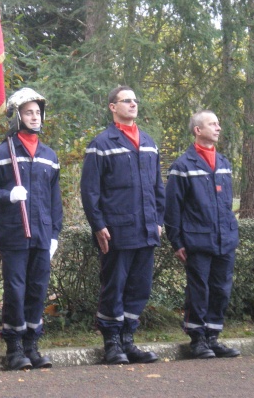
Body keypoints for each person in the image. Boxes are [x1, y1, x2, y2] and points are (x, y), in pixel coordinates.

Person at [80, 85, 164, 365]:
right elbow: (90, 190)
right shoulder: (102, 143)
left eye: (135, 100)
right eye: (126, 100)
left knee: (139, 287)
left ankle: (129, 340)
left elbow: (157, 187)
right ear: (112, 107)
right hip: (117, 229)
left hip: (146, 228)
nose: (132, 104)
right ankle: (112, 343)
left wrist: (159, 220)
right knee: (114, 286)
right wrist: (98, 224)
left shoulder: (149, 142)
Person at [0, 88, 63, 371]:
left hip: (42, 234)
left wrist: (55, 234)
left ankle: (32, 344)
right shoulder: (3, 152)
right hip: (14, 233)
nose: (35, 117)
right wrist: (8, 195)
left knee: (37, 290)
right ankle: (14, 347)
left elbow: (55, 200)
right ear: (17, 116)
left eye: (38, 112)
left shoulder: (49, 155)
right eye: (28, 112)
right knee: (15, 290)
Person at [164, 111, 240, 359]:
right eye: (213, 124)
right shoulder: (182, 166)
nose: (218, 128)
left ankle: (213, 337)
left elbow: (226, 204)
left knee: (221, 290)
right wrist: (177, 242)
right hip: (197, 240)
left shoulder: (225, 163)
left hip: (224, 239)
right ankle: (197, 340)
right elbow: (172, 208)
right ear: (198, 130)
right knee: (199, 291)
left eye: (219, 123)